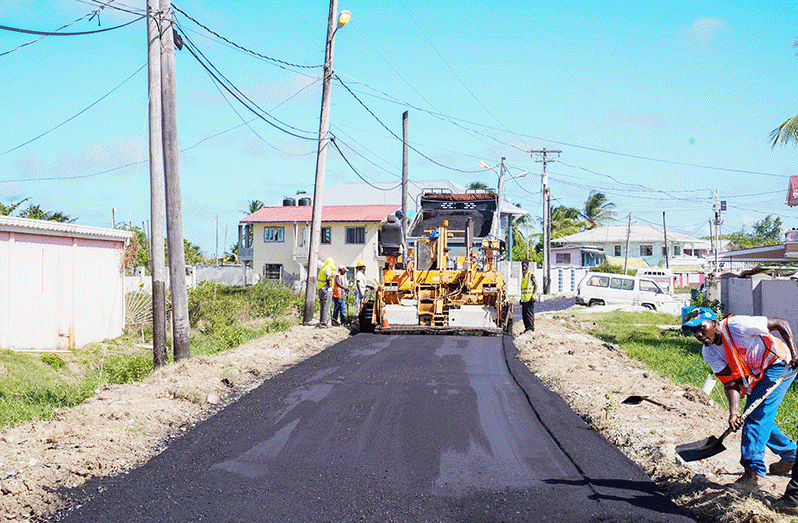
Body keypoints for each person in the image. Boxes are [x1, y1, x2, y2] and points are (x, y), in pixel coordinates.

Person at [682, 307, 798, 490]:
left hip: (780, 364)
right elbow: (730, 383)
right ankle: (792, 455)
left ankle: (754, 473)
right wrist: (733, 412)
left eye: (700, 327)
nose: (698, 334)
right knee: (757, 417)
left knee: (756, 417)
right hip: (758, 374)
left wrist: (795, 354)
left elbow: (781, 324)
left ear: (713, 322)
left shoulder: (737, 325)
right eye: (693, 331)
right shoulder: (709, 352)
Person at [316, 257, 335, 327]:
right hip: (326, 289)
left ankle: (321, 320)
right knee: (326, 306)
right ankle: (324, 322)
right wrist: (329, 284)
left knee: (322, 306)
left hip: (320, 288)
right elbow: (328, 277)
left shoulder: (323, 268)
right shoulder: (328, 269)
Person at [520, 259, 537, 333]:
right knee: (524, 315)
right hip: (524, 300)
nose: (523, 267)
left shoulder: (530, 274)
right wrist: (521, 299)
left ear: (527, 266)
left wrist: (534, 294)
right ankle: (526, 328)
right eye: (522, 265)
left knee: (529, 314)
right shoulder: (523, 276)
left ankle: (531, 329)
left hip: (530, 299)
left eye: (525, 265)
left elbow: (536, 284)